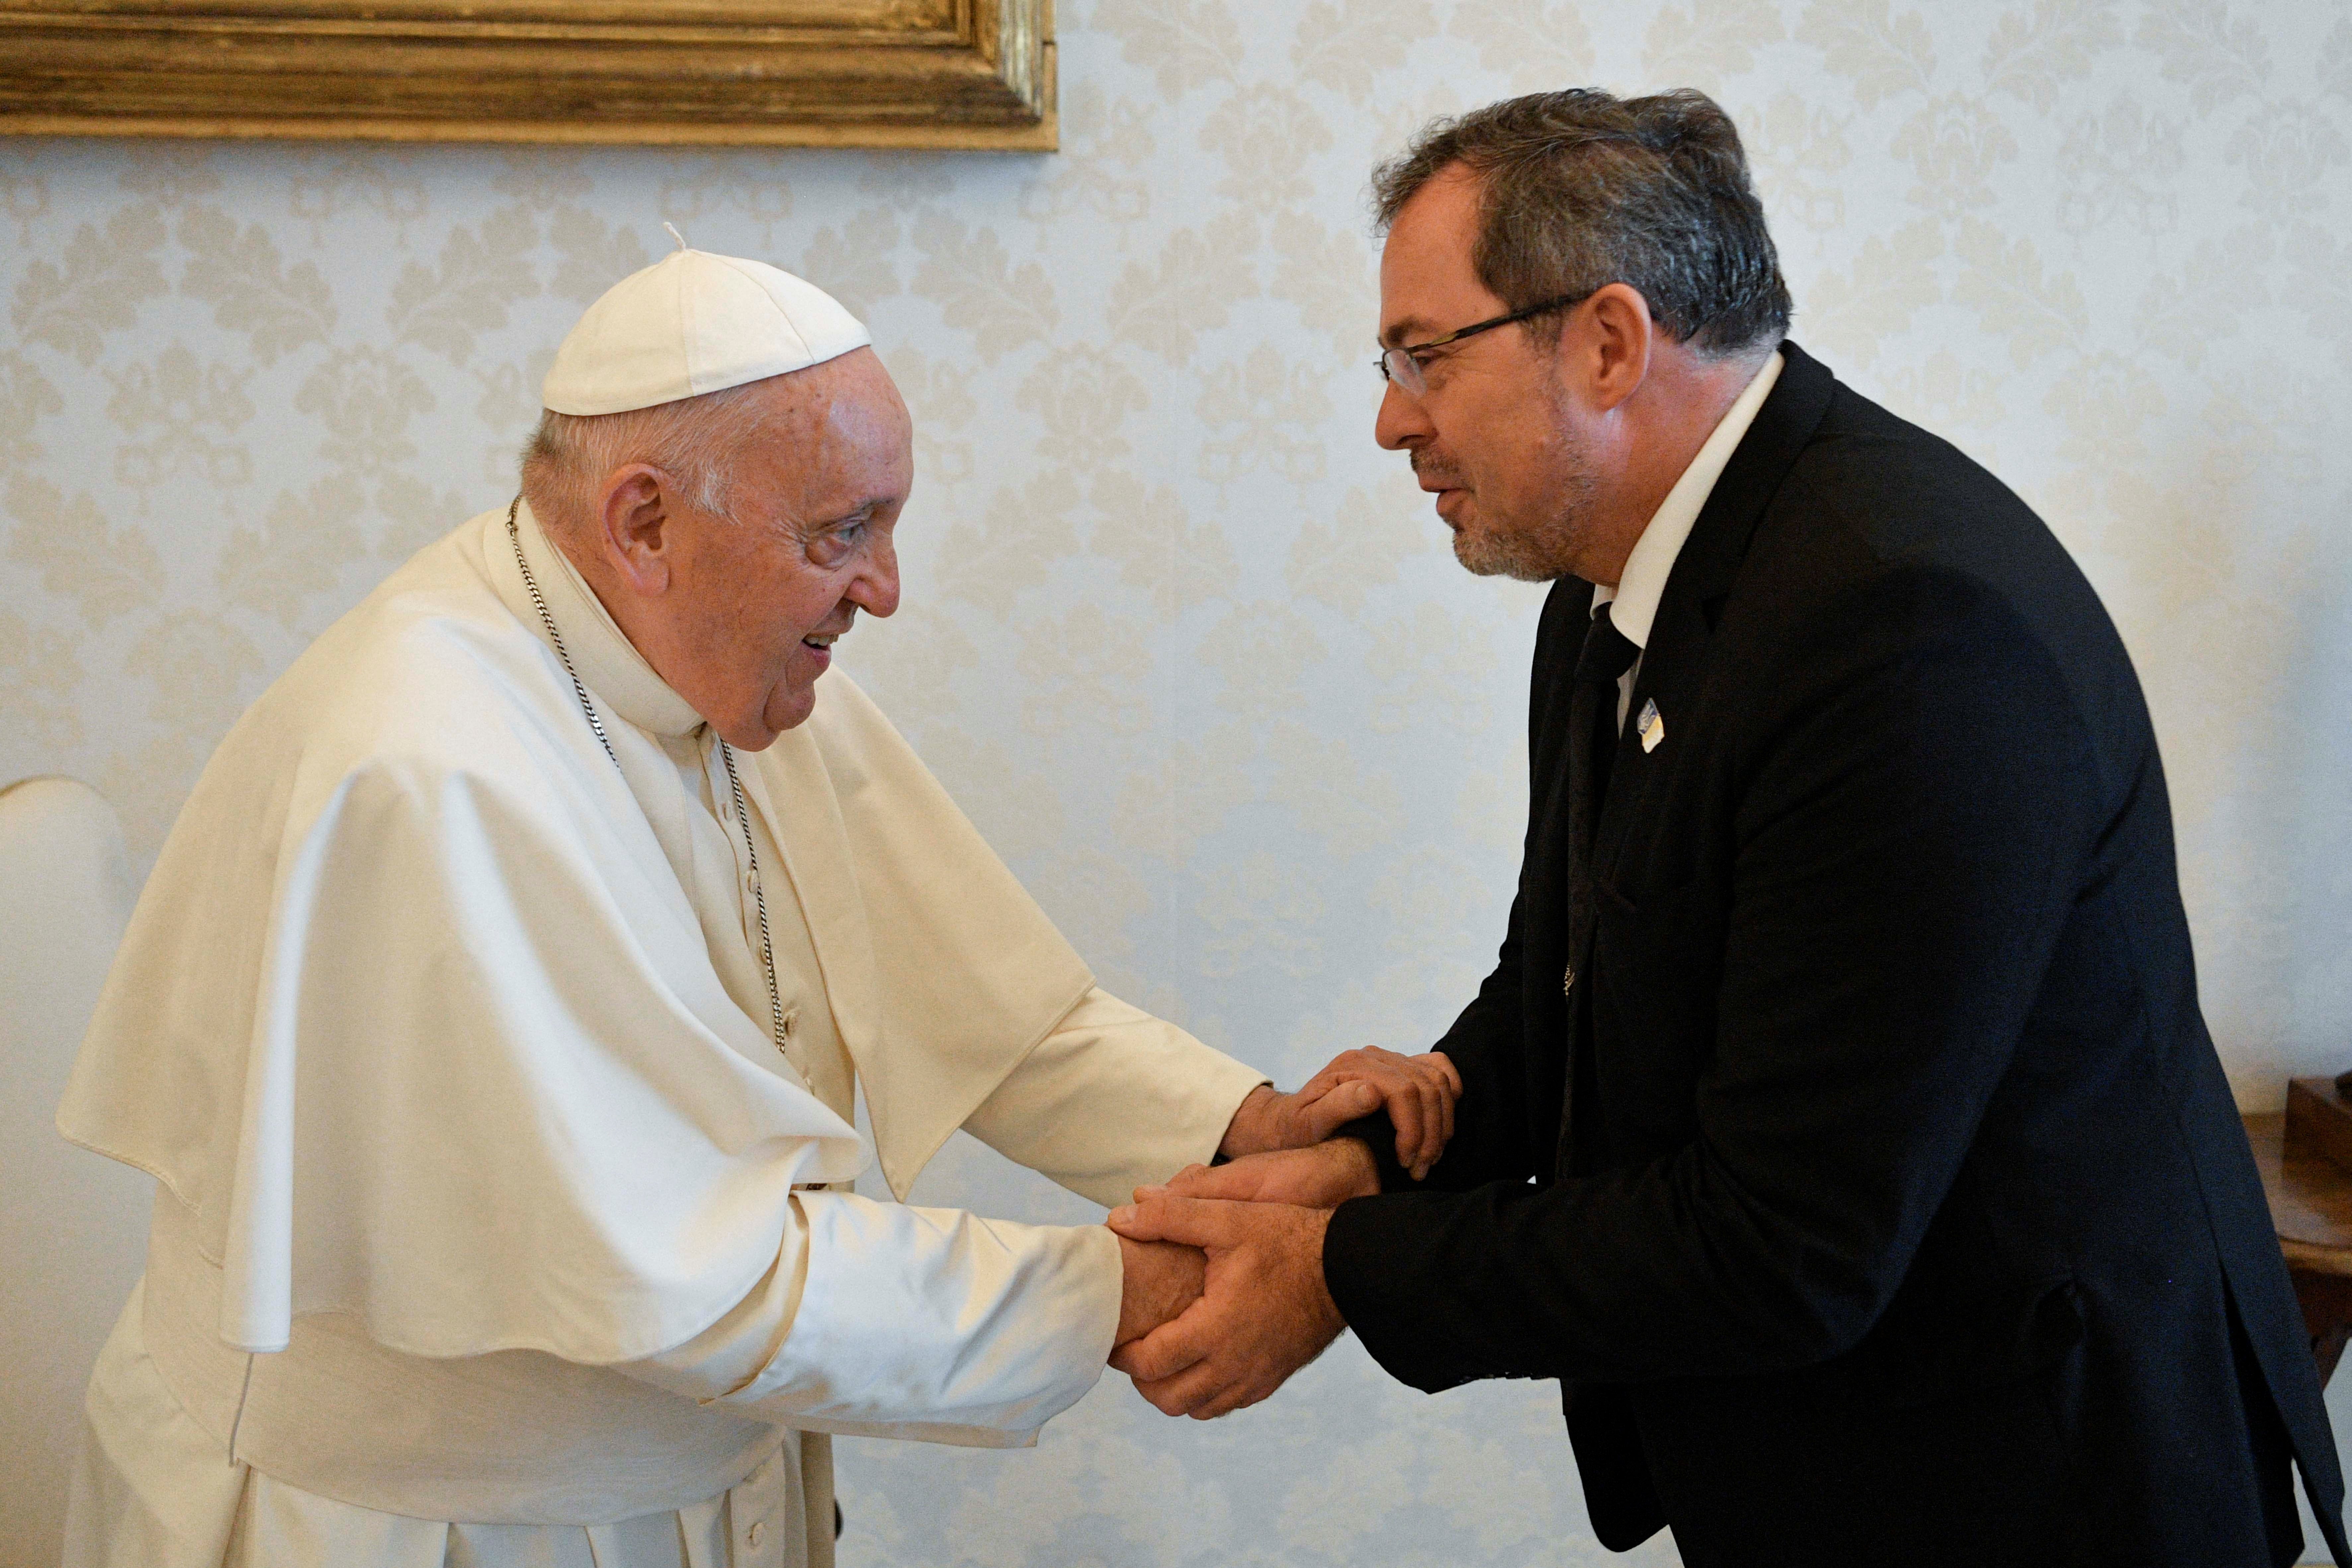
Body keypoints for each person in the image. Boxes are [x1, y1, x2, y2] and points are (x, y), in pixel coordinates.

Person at [56, 242, 1461, 1568]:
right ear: (645, 521)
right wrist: (1128, 1291)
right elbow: (698, 1272)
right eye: (843, 532)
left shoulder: (710, 657)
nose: (887, 592)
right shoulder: (432, 773)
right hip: (426, 1526)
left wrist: (1242, 1130)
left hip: (670, 1487)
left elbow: (991, 1012)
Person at [1109, 87, 2351, 1567]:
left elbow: (1786, 1243)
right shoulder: (1610, 578)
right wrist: (1393, 1147)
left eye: (1422, 354)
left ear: (1608, 342)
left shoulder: (1902, 626)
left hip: (2023, 1487)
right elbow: (1571, 980)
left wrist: (1343, 1267)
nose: (1391, 418)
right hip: (1825, 1458)